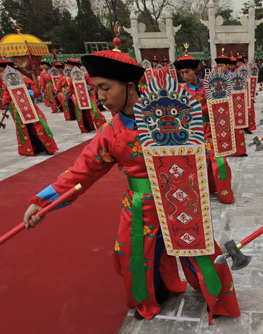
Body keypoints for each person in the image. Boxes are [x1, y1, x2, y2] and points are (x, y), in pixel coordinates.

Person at [23, 46, 240, 323]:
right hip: (140, 205)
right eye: (96, 90)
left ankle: (217, 298)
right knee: (135, 253)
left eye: (105, 88)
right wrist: (42, 203)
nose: (100, 98)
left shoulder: (169, 116)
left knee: (196, 248)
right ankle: (153, 296)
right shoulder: (110, 132)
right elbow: (81, 172)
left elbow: (201, 154)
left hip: (180, 198)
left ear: (129, 86)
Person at [174, 49, 236, 204]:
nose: (184, 76)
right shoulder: (181, 92)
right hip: (194, 132)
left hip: (213, 129)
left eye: (187, 72)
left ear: (195, 70)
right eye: (181, 73)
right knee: (197, 163)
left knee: (219, 162)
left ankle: (224, 192)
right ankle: (203, 190)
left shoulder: (210, 86)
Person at [0, 64, 59, 156]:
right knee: (24, 128)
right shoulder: (7, 81)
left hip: (29, 105)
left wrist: (32, 93)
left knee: (39, 125)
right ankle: (31, 148)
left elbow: (37, 91)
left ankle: (47, 147)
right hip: (16, 108)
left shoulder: (26, 79)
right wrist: (6, 103)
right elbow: (6, 94)